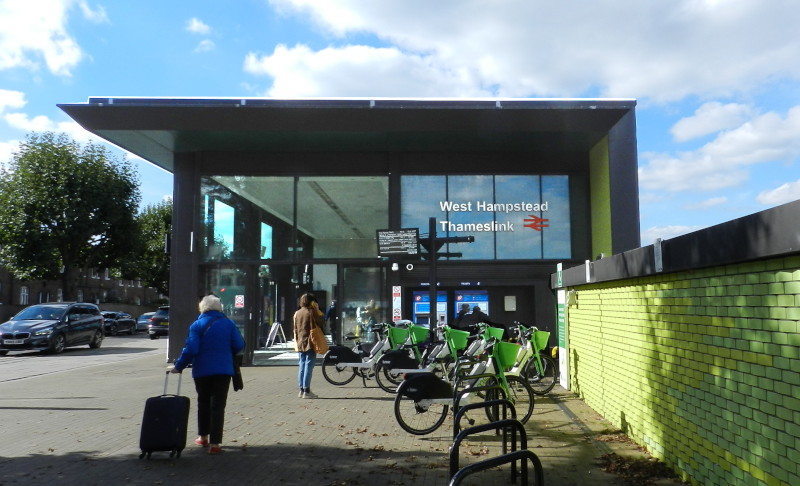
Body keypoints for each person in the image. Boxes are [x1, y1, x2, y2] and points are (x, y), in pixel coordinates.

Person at [170, 294, 245, 455]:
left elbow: (191, 349)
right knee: (218, 406)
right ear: (220, 308)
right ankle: (215, 444)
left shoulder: (197, 325)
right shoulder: (229, 324)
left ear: (202, 308)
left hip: (202, 371)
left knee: (203, 403)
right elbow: (239, 345)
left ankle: (202, 436)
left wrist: (179, 366)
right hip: (223, 371)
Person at [293, 293, 324, 399]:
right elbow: (321, 322)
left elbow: (295, 329)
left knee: (302, 364)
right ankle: (307, 390)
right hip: (310, 341)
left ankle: (301, 389)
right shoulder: (311, 312)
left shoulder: (297, 313)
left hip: (300, 341)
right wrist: (317, 309)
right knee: (309, 365)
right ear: (311, 302)